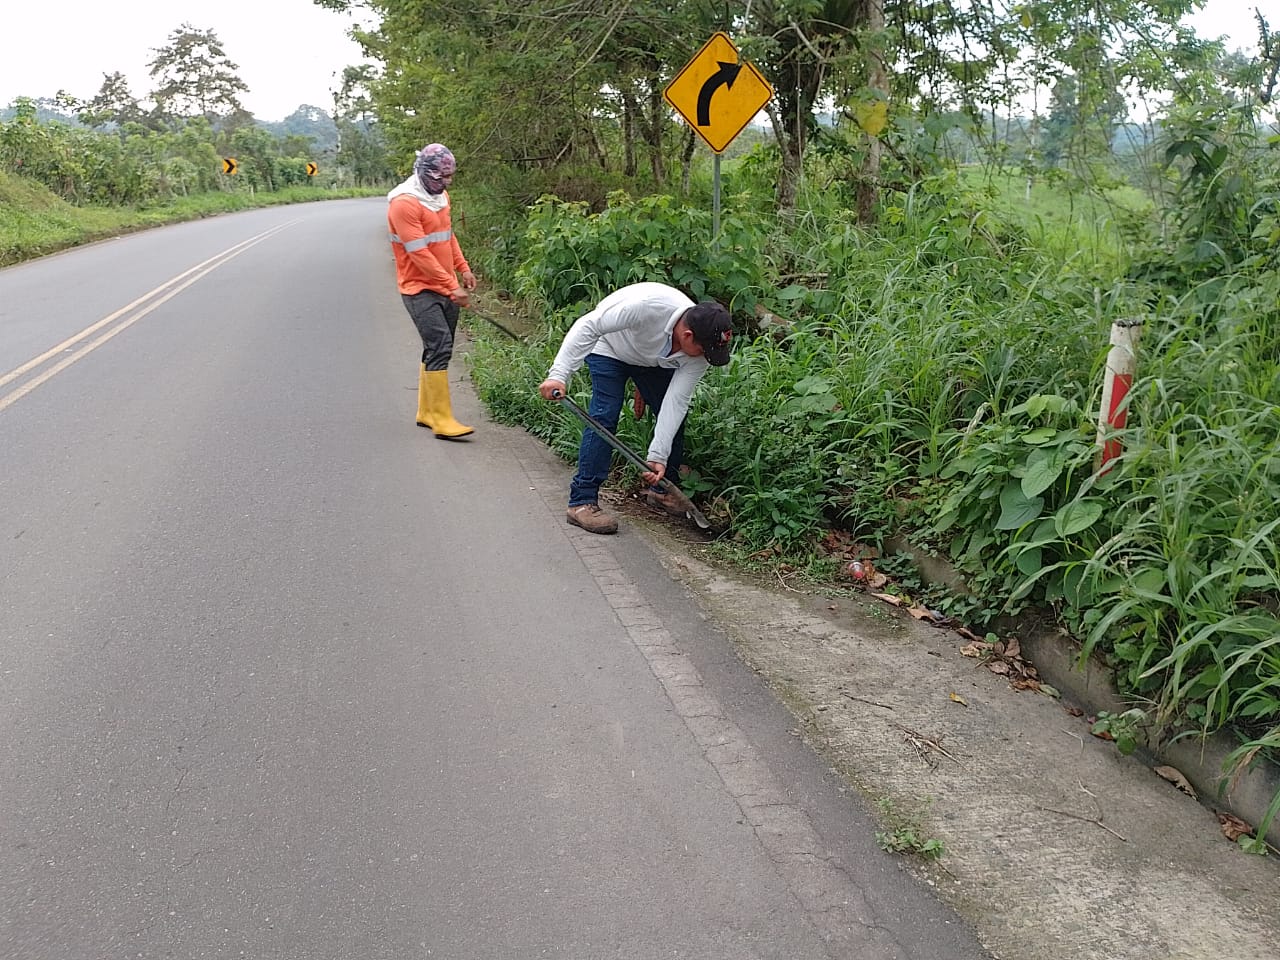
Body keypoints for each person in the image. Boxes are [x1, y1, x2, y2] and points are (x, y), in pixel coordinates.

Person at [538, 282, 733, 535]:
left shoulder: (700, 351)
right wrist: (559, 375)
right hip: (610, 348)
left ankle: (661, 490)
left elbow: (676, 402)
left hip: (653, 362)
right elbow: (589, 324)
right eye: (703, 350)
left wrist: (657, 457)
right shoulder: (645, 308)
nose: (705, 356)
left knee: (673, 416)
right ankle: (582, 501)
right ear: (687, 335)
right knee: (604, 415)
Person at [387, 143, 477, 439]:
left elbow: (447, 236)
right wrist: (451, 286)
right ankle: (441, 418)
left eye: (449, 177)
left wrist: (463, 268)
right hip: (419, 288)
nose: (446, 183)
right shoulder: (404, 203)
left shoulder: (440, 198)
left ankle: (426, 412)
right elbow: (419, 254)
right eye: (440, 177)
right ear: (423, 173)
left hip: (445, 285)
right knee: (440, 345)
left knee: (437, 347)